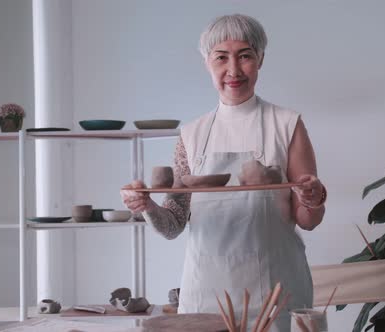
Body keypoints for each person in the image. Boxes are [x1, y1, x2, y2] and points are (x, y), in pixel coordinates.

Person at [121, 14, 326, 331]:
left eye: (245, 55)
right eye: (221, 57)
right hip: (207, 295)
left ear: (260, 60)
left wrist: (312, 197)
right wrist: (146, 206)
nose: (233, 70)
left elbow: (309, 220)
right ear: (207, 62)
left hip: (277, 291)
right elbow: (174, 223)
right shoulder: (190, 135)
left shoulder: (287, 124)